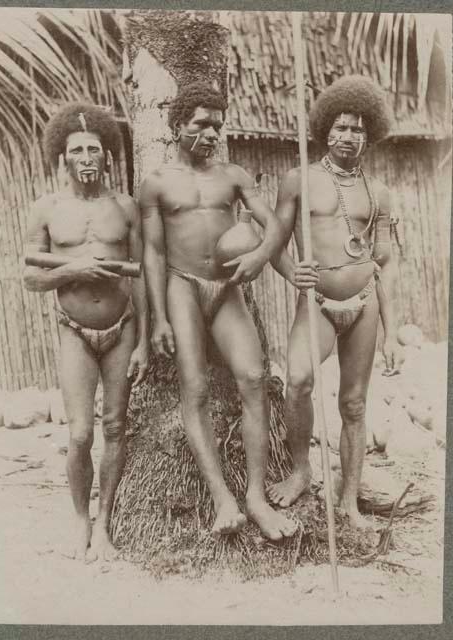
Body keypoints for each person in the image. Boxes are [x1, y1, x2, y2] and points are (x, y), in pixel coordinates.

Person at [140, 82, 297, 541]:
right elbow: (151, 253)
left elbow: (274, 226)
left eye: (217, 126)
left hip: (227, 285)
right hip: (181, 286)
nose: (210, 133)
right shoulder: (156, 183)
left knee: (253, 378)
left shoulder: (234, 175)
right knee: (196, 387)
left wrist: (259, 256)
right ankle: (221, 498)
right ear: (176, 126)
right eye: (200, 124)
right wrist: (160, 319)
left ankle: (255, 497)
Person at [268, 76, 404, 528]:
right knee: (300, 380)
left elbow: (385, 261)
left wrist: (393, 333)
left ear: (371, 135)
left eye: (359, 129)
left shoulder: (379, 193)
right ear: (325, 128)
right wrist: (293, 273)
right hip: (318, 300)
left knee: (354, 404)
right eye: (341, 127)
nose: (349, 136)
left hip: (364, 302)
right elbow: (274, 243)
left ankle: (349, 501)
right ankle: (302, 470)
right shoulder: (299, 179)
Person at [23, 103, 149, 561]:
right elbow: (31, 276)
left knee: (116, 427)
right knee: (80, 434)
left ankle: (105, 526)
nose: (86, 157)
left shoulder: (125, 207)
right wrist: (72, 268)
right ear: (63, 158)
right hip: (74, 330)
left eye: (94, 148)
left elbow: (142, 279)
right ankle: (79, 520)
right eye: (76, 150)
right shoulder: (47, 209)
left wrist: (143, 345)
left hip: (122, 328)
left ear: (108, 155)